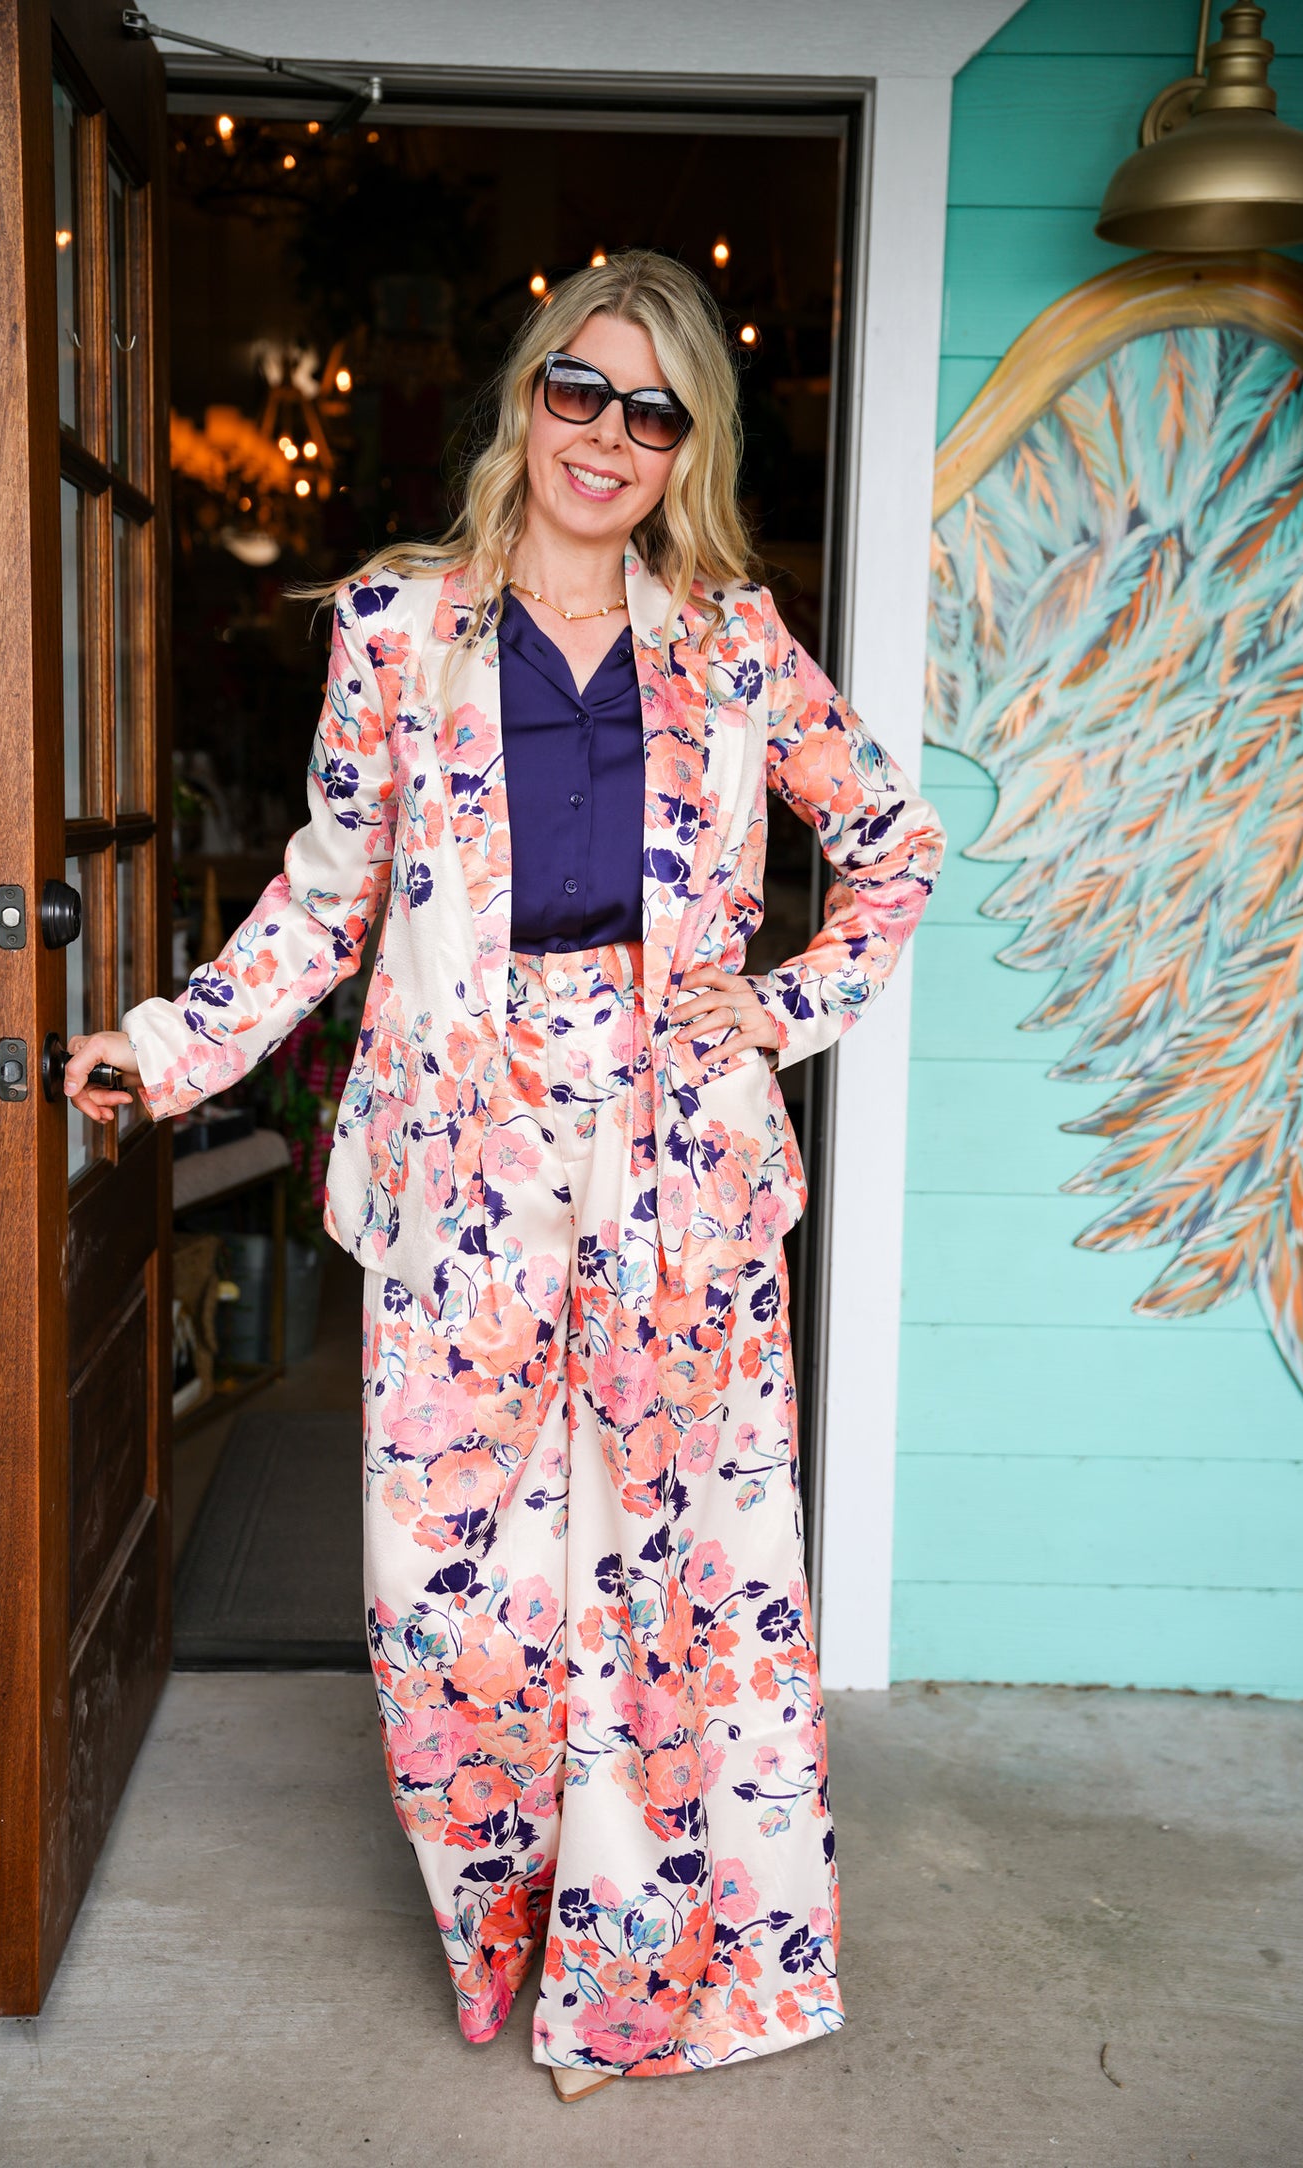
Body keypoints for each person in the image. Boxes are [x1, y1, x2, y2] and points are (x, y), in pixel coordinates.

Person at [66, 250, 945, 2101]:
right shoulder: (399, 625)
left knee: (676, 1583)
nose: (606, 436)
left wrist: (775, 1009)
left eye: (653, 409)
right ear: (523, 396)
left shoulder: (727, 638)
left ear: (684, 445)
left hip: (673, 1176)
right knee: (443, 1600)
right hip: (462, 1169)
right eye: (578, 389)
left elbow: (889, 845)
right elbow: (322, 901)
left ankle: (643, 1979)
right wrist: (161, 1052)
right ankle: (501, 1921)